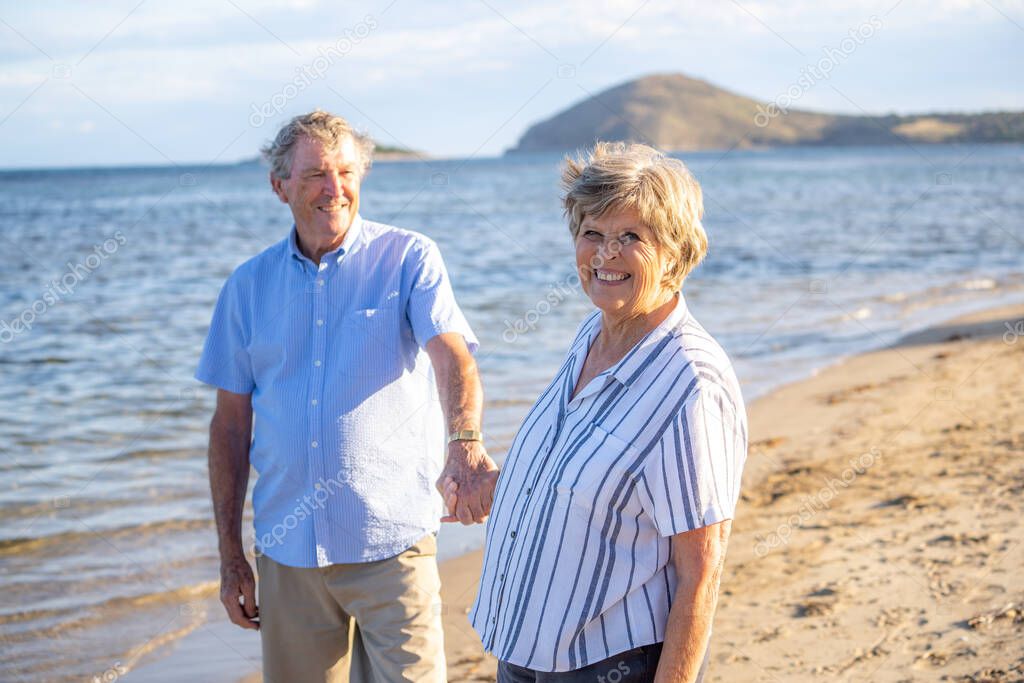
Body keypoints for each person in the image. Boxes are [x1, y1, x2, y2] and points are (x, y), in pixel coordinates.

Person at [196, 109, 497, 682]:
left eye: (346, 172)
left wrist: (465, 443)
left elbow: (452, 357)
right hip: (288, 556)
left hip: (393, 543)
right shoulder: (246, 288)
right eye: (314, 175)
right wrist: (231, 558)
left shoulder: (409, 258)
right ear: (279, 186)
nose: (334, 189)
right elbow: (230, 428)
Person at [454, 142, 747, 682]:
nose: (605, 254)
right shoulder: (593, 332)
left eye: (631, 237)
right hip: (524, 651)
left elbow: (701, 570)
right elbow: (593, 483)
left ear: (675, 253)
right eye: (593, 233)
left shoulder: (690, 382)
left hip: (607, 665)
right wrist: (500, 482)